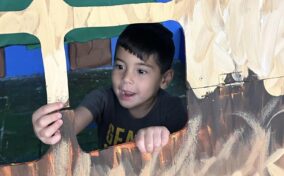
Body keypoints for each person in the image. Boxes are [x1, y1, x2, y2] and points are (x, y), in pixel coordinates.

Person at [32, 23, 188, 153]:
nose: (126, 78)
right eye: (120, 66)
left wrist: (164, 136)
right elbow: (72, 124)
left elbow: (191, 153)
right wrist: (50, 127)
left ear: (165, 79)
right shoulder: (103, 98)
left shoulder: (173, 109)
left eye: (141, 71)